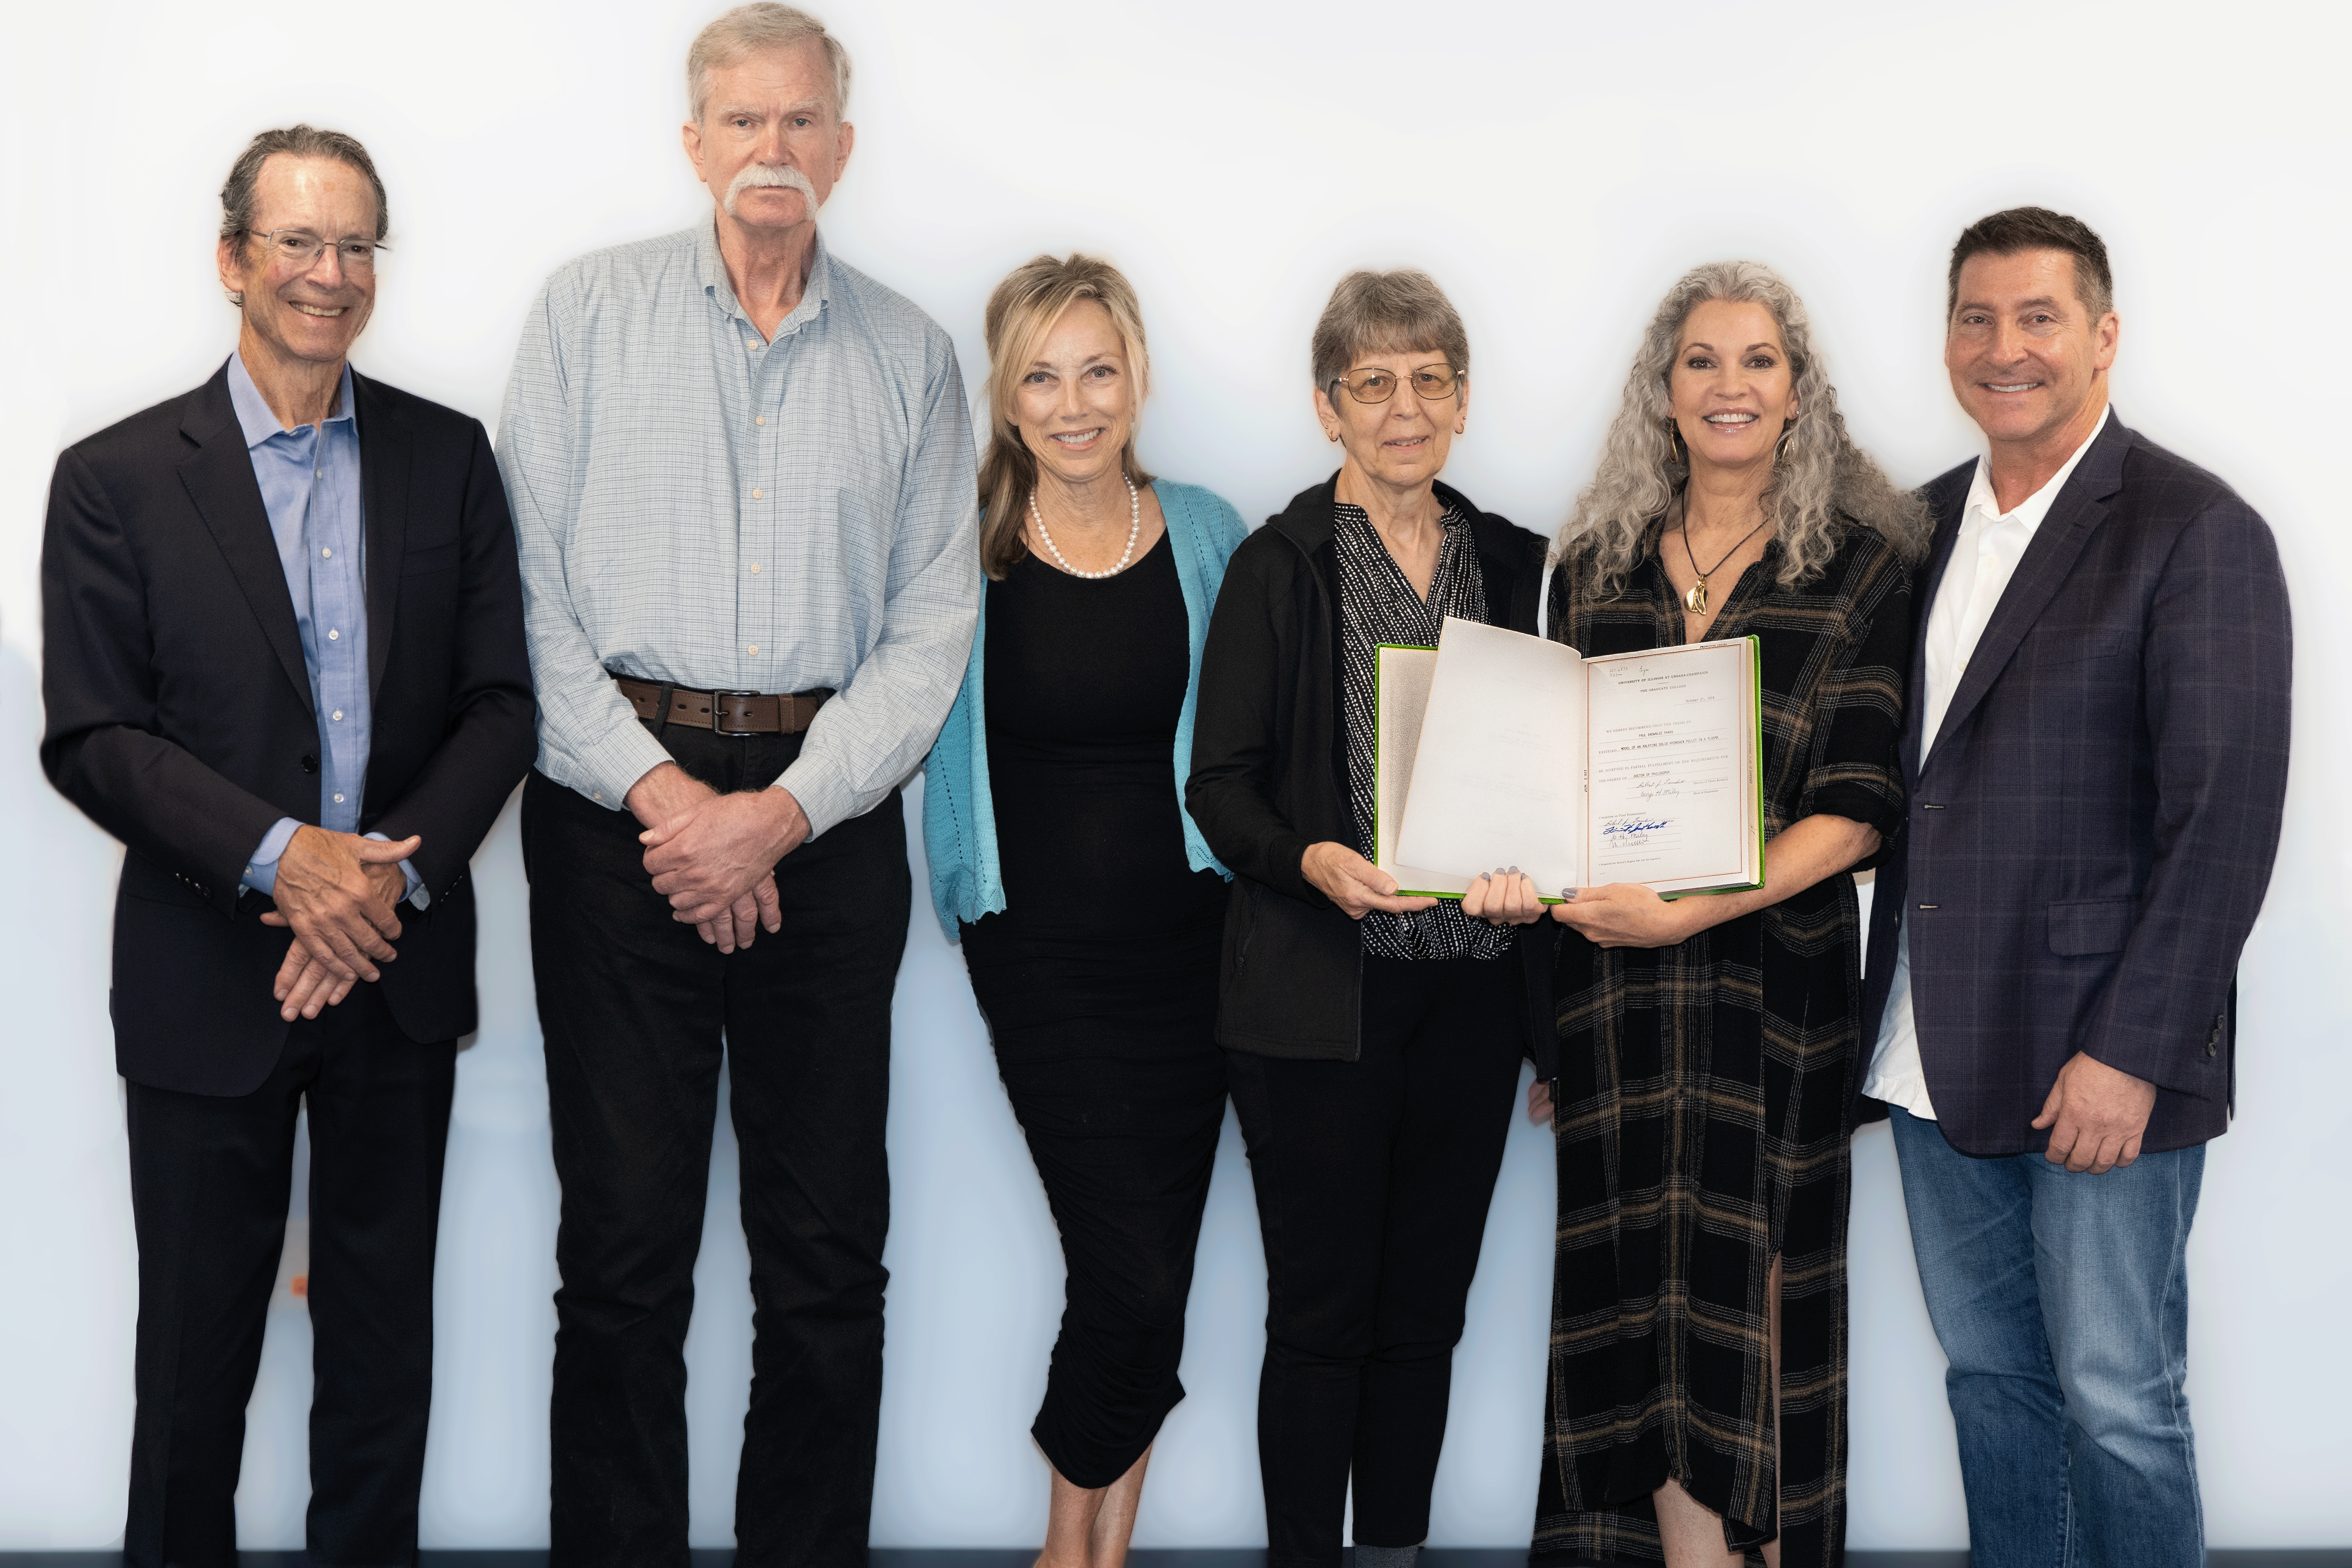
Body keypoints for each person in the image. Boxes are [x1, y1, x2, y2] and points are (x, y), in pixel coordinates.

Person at [495, 6, 979, 1562]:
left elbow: (930, 625)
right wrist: (667, 803)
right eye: (742, 123)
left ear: (841, 145)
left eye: (802, 123)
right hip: (608, 821)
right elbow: (529, 602)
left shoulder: (910, 355)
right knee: (624, 1258)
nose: (773, 151)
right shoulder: (584, 316)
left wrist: (779, 813)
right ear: (693, 142)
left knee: (828, 1257)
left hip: (823, 831)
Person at [39, 125, 535, 1567]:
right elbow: (96, 734)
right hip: (207, 982)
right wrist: (281, 859)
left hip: (396, 970)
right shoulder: (115, 478)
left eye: (357, 243)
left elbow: (505, 702)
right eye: (301, 242)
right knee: (192, 1373)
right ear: (233, 260)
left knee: (383, 1367)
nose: (332, 274)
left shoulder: (449, 459)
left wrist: (373, 885)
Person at [1858, 208, 2290, 1568]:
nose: (2006, 349)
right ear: (1946, 341)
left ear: (2105, 336)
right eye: (1977, 319)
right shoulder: (1911, 525)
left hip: (2100, 1064)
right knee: (1993, 1385)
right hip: (1935, 1055)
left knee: (2119, 1402)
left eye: (2039, 318)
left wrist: (2131, 1052)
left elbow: (2222, 822)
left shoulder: (2193, 528)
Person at [1524, 261, 1926, 1568]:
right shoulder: (1593, 568)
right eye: (1702, 359)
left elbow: (1860, 812)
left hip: (1774, 1001)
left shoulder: (1860, 571)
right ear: (1665, 390)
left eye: (1758, 361)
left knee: (1758, 1311)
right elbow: (1554, 792)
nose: (1730, 384)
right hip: (1614, 1003)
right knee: (1632, 1306)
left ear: (1798, 396)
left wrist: (1691, 913)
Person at [1186, 269, 1552, 1568]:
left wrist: (1540, 894)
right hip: (1317, 996)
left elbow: (1558, 771)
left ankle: (1392, 1550)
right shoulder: (1279, 564)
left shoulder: (1517, 560)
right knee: (1324, 1313)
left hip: (1471, 993)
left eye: (1431, 380)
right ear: (1327, 405)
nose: (1407, 408)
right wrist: (1313, 862)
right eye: (1375, 383)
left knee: (1425, 1314)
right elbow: (1216, 788)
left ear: (1463, 399)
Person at [923, 253, 1248, 1568]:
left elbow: (1253, 739)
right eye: (1042, 377)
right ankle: (1067, 1550)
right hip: (1041, 958)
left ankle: (1108, 1554)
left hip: (1198, 953)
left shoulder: (1211, 533)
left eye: (1097, 369)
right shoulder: (965, 554)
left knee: (1155, 1271)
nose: (1073, 403)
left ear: (1139, 379)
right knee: (1126, 1267)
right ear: (1007, 399)